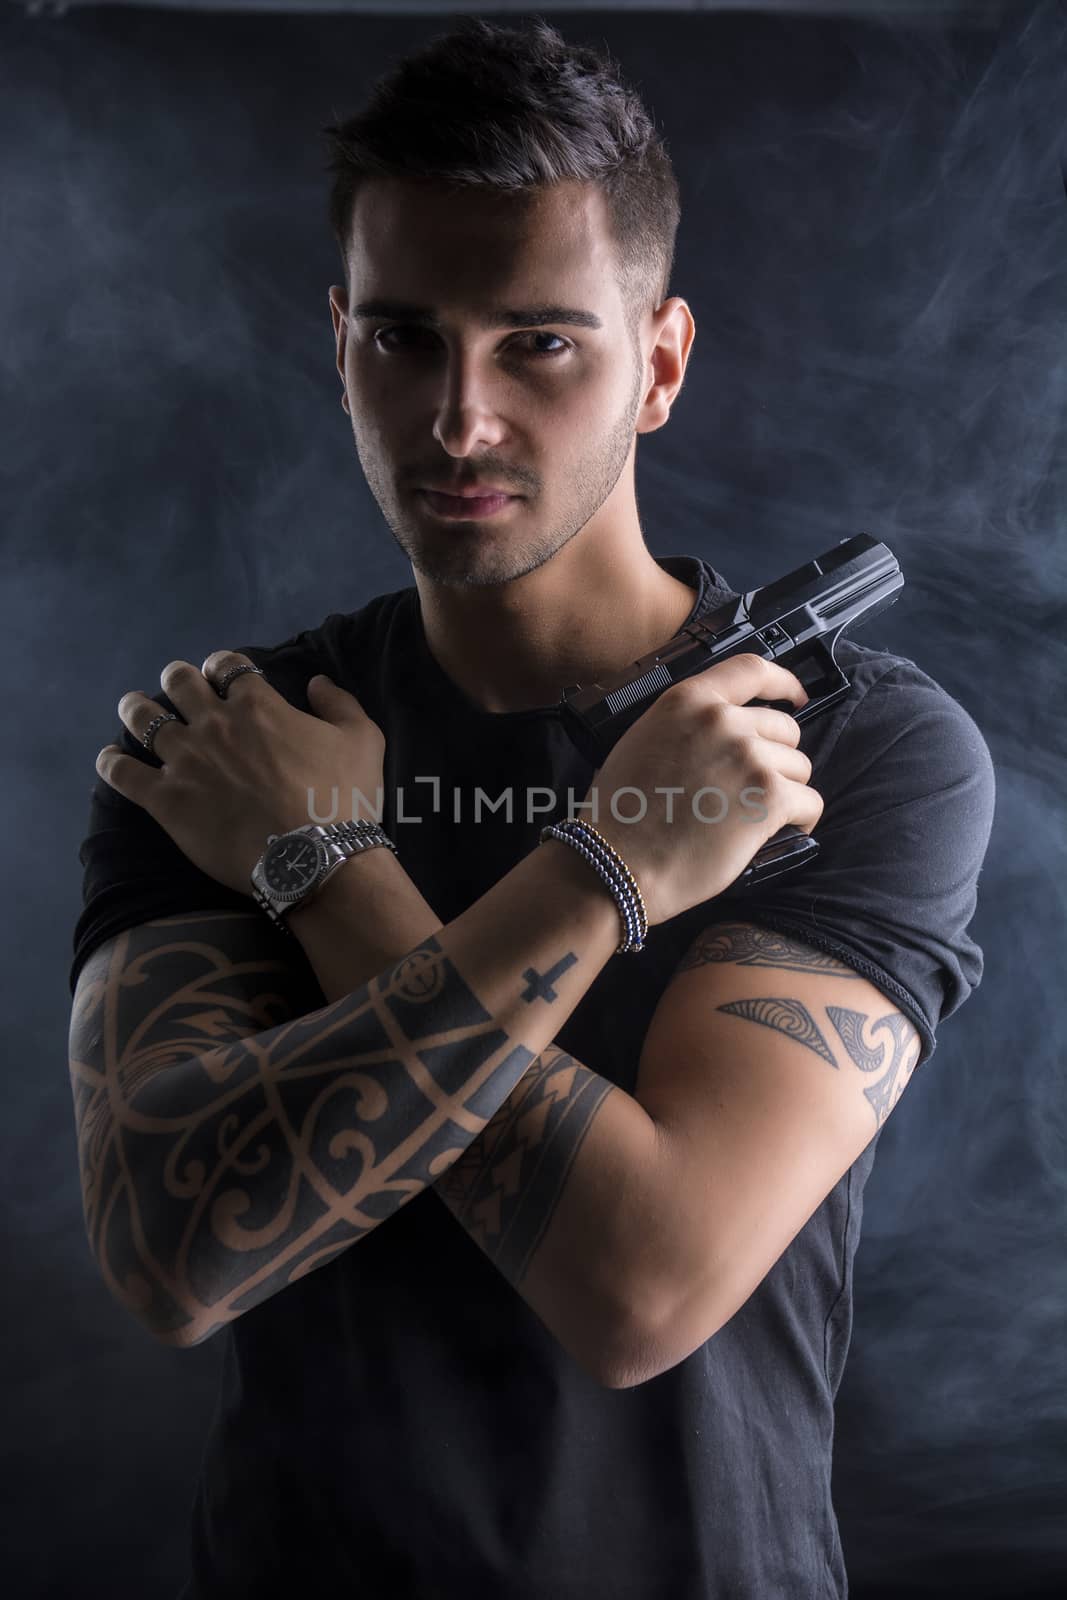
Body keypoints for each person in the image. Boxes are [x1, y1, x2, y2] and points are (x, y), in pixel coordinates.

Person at [66, 18, 995, 1599]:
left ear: (662, 363)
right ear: (337, 342)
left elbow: (639, 1286)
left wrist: (320, 871)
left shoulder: (853, 751)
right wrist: (614, 866)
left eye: (540, 343)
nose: (459, 420)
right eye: (406, 339)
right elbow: (173, 1256)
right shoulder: (233, 746)